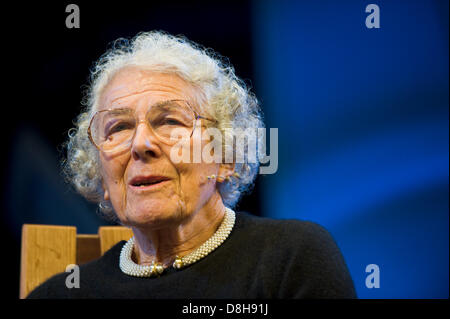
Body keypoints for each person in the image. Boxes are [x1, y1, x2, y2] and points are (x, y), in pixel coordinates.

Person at [27, 31, 356, 298]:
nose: (141, 144)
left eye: (169, 121)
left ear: (225, 155)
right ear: (101, 173)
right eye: (119, 127)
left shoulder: (291, 258)